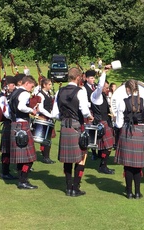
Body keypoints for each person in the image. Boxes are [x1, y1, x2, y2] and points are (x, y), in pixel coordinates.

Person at [114, 79, 144, 199]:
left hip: (127, 132)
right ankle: (138, 193)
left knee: (128, 165)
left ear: (127, 89)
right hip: (139, 132)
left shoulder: (122, 102)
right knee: (137, 165)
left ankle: (129, 193)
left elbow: (118, 124)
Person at [52, 67, 94, 197]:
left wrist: (64, 119)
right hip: (77, 126)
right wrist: (90, 117)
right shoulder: (80, 91)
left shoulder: (60, 91)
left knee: (67, 159)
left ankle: (68, 187)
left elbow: (54, 114)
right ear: (78, 77)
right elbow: (85, 111)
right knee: (81, 157)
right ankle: (75, 187)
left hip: (65, 127)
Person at [8, 75, 38, 189]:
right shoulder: (24, 93)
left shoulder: (15, 92)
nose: (32, 88)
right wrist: (32, 110)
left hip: (15, 124)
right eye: (32, 86)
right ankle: (23, 181)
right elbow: (21, 107)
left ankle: (21, 180)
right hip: (23, 125)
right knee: (29, 158)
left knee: (21, 158)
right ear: (26, 83)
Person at [91, 66, 116, 174]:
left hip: (105, 121)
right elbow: (100, 84)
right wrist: (104, 72)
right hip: (102, 122)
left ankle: (103, 164)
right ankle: (103, 166)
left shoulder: (102, 96)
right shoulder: (96, 95)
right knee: (108, 146)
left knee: (104, 146)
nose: (107, 89)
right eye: (106, 87)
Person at [0, 76, 18, 180]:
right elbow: (6, 114)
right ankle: (5, 172)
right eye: (12, 85)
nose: (14, 87)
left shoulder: (11, 95)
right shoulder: (3, 97)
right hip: (9, 124)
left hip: (13, 124)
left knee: (13, 149)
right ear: (6, 86)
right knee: (6, 151)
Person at [36, 78, 56, 164]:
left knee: (48, 139)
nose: (51, 86)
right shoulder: (40, 95)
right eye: (49, 84)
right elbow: (40, 108)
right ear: (44, 85)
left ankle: (46, 156)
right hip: (44, 117)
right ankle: (45, 157)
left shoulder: (48, 93)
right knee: (45, 139)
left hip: (48, 117)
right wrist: (50, 115)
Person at [83, 70, 98, 160]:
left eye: (94, 78)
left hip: (96, 112)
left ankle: (96, 151)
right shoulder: (84, 88)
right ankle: (92, 152)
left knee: (96, 131)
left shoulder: (95, 87)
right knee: (89, 132)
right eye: (91, 78)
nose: (93, 79)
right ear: (87, 79)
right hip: (89, 112)